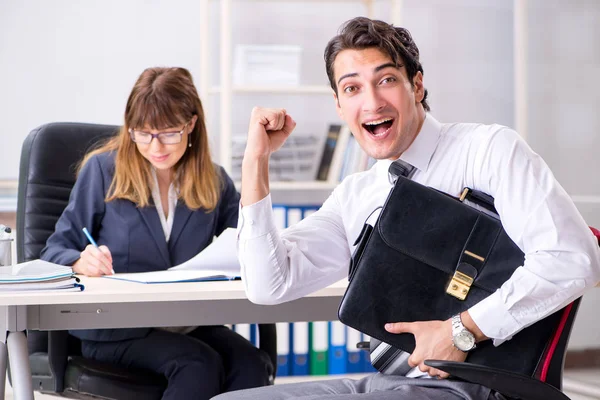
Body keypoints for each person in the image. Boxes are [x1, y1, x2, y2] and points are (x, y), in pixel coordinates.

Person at [213, 17, 600, 400]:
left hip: (486, 384)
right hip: (394, 380)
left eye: (386, 80)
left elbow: (574, 257)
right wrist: (254, 162)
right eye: (352, 88)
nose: (372, 102)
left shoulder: (488, 150)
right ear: (339, 105)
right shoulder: (356, 195)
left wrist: (460, 331)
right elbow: (269, 285)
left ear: (416, 85)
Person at [41, 67, 272, 400]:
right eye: (143, 133)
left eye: (169, 133)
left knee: (250, 362)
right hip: (116, 329)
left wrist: (257, 163)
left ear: (191, 124)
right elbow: (53, 249)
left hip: (187, 321)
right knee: (196, 363)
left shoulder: (215, 181)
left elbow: (251, 243)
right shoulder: (104, 171)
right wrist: (79, 261)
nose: (155, 145)